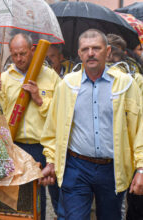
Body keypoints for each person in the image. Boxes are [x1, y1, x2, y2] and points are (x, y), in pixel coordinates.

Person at [40, 29, 143, 220]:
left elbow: (139, 129)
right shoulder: (67, 85)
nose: (91, 53)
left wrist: (141, 168)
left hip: (112, 168)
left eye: (96, 48)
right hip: (76, 166)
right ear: (79, 54)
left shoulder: (126, 85)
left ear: (108, 51)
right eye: (85, 49)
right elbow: (53, 127)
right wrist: (51, 160)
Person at [0, 33, 61, 220]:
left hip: (44, 147)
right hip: (16, 146)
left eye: (22, 53)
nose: (18, 59)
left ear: (33, 50)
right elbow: (0, 115)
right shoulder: (5, 78)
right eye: (14, 54)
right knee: (19, 202)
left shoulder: (51, 77)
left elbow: (60, 114)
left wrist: (39, 99)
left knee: (48, 199)